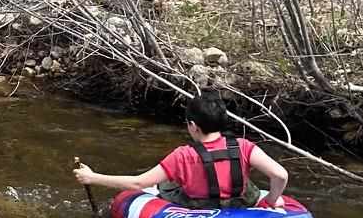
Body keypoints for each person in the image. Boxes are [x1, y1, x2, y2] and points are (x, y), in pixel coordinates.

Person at [73, 89, 289, 209]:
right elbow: (280, 174)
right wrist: (271, 200)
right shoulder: (244, 146)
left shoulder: (183, 155)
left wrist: (93, 177)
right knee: (246, 183)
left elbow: (138, 183)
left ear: (193, 126)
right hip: (239, 203)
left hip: (198, 206)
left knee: (165, 183)